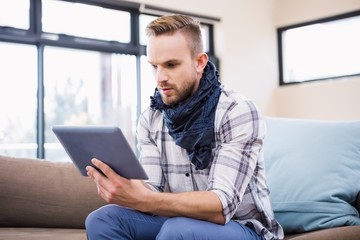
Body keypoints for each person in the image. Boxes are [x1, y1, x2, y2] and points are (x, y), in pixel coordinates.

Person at [85, 14, 284, 240]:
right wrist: (127, 187)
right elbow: (152, 190)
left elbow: (221, 206)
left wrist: (147, 199)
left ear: (199, 62)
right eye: (154, 66)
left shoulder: (236, 111)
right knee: (102, 220)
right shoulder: (151, 118)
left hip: (242, 228)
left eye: (171, 65)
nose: (160, 78)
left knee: (178, 230)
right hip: (178, 219)